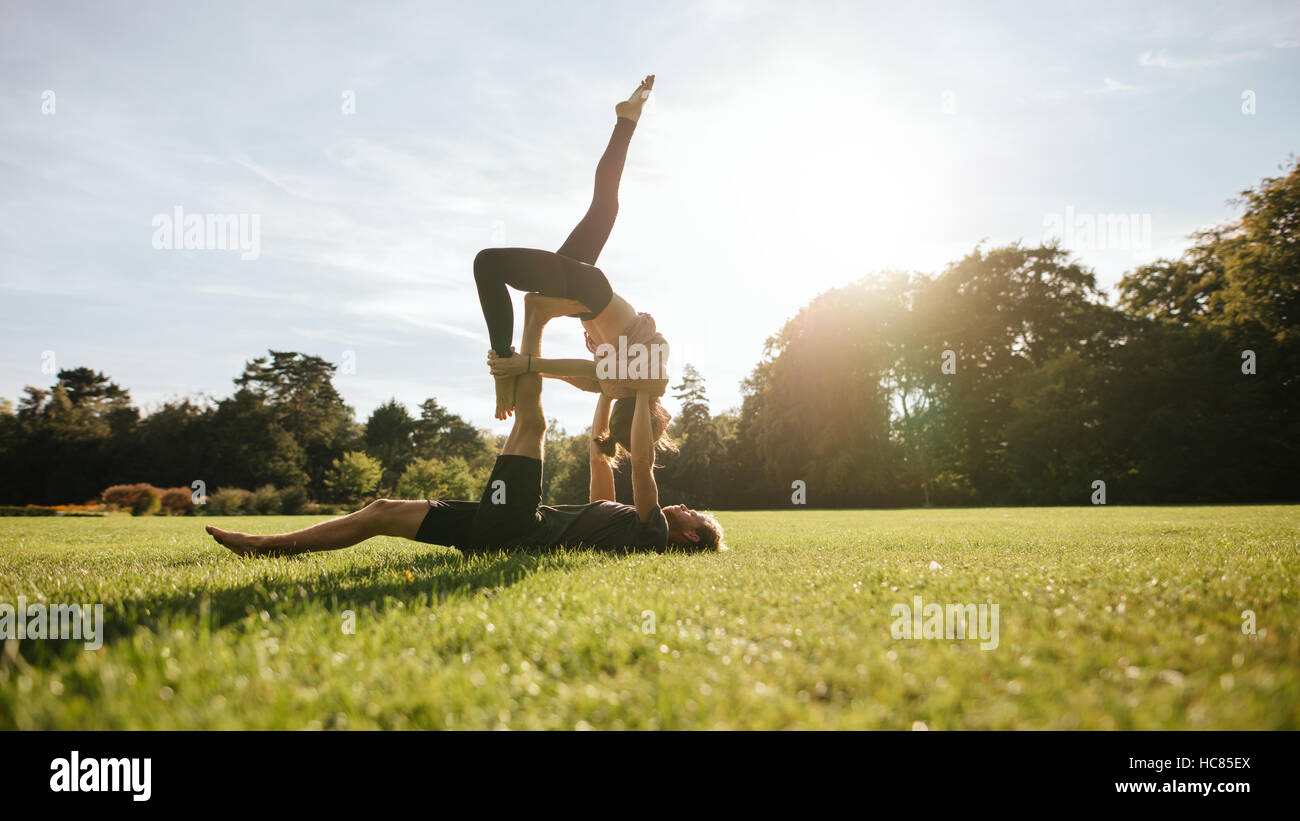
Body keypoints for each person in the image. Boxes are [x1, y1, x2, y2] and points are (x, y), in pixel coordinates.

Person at [205, 299, 724, 557]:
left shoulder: (652, 530)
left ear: (689, 536)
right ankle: (265, 547)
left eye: (693, 514)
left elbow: (642, 463)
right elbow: (598, 456)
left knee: (533, 423)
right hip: (504, 527)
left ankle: (534, 328)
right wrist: (611, 395)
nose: (685, 506)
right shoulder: (621, 519)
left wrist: (643, 390)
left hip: (521, 527)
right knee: (383, 512)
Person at [473, 74, 673, 464]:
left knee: (605, 207)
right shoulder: (649, 380)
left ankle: (626, 119)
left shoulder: (607, 386)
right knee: (488, 264)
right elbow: (589, 368)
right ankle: (500, 367)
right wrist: (518, 366)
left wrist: (531, 369)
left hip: (581, 296)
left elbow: (568, 371)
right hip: (590, 291)